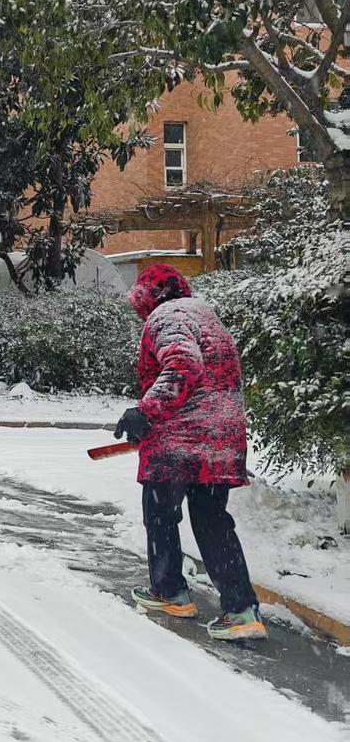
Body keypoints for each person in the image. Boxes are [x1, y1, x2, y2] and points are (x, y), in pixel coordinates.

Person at [114, 264, 266, 642]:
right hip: (221, 438)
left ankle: (169, 593)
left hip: (177, 444)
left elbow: (184, 365)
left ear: (149, 297)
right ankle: (242, 610)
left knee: (161, 516)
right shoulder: (207, 317)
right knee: (213, 519)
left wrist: (146, 412)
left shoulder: (166, 317)